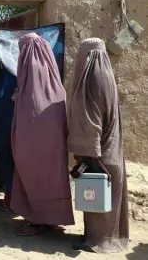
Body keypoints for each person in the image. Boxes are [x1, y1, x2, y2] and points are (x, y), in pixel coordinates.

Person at [67, 38, 129, 253]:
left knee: (96, 201)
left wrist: (86, 154)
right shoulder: (107, 76)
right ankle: (106, 238)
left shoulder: (91, 79)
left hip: (98, 154)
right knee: (104, 203)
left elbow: (91, 121)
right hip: (111, 152)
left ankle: (99, 242)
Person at [11, 33, 75, 236]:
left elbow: (30, 102)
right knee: (53, 176)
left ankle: (36, 221)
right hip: (54, 134)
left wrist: (16, 98)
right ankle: (53, 219)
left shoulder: (30, 68)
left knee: (32, 174)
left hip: (32, 134)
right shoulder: (52, 72)